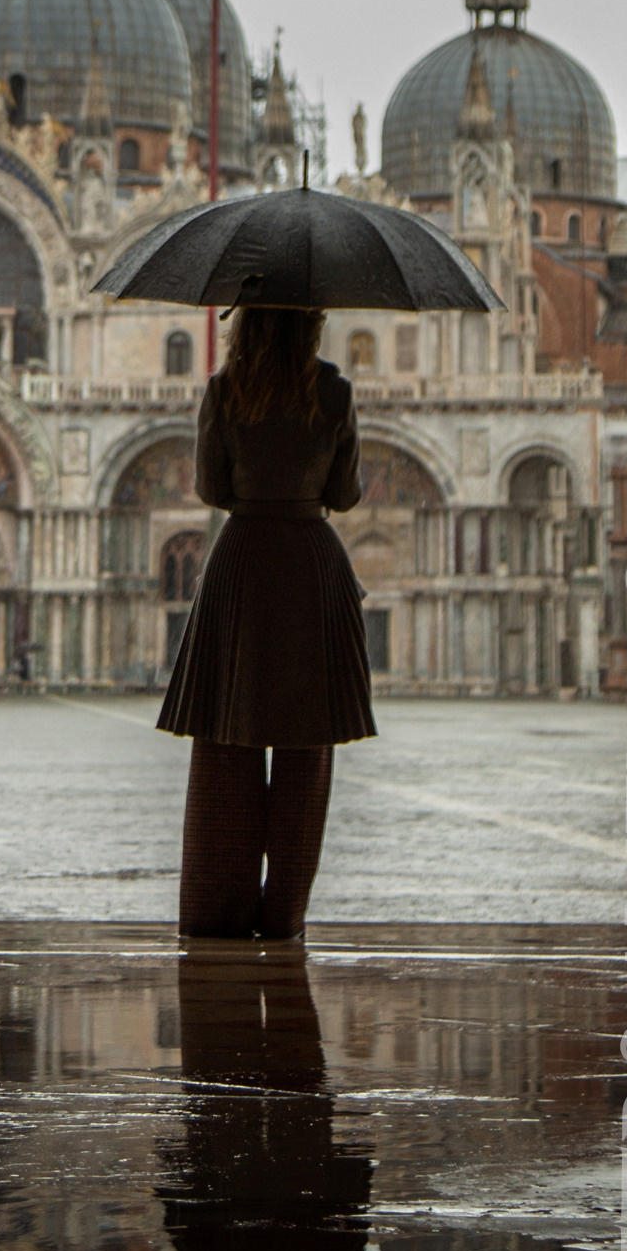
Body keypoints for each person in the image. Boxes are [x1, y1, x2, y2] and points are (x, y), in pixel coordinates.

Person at [158, 305, 374, 939]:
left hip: (244, 557)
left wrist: (254, 487)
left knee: (228, 736)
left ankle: (216, 911)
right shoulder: (333, 390)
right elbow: (346, 494)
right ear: (309, 325)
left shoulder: (225, 389)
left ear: (246, 324)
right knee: (307, 748)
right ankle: (284, 916)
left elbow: (209, 486)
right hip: (310, 557)